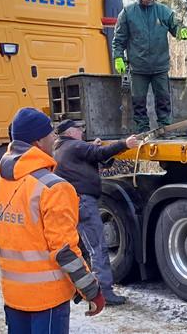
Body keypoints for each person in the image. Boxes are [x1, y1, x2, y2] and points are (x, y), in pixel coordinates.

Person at [0, 108, 105, 333]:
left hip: (13, 296)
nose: (54, 137)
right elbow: (65, 252)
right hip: (48, 299)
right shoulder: (54, 188)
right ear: (38, 142)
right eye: (50, 133)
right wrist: (92, 290)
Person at [52, 119, 139, 305]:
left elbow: (93, 156)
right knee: (98, 248)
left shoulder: (59, 148)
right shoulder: (75, 146)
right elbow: (99, 153)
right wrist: (125, 144)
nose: (82, 132)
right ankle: (105, 292)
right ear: (69, 132)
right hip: (84, 202)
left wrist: (91, 147)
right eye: (78, 129)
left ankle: (82, 289)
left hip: (72, 203)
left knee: (81, 248)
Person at [112, 0, 187, 133]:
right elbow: (119, 39)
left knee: (163, 100)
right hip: (138, 66)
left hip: (160, 66)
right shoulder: (128, 13)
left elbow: (175, 25)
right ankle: (143, 130)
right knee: (139, 102)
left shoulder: (163, 11)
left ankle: (165, 129)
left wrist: (182, 31)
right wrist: (118, 57)